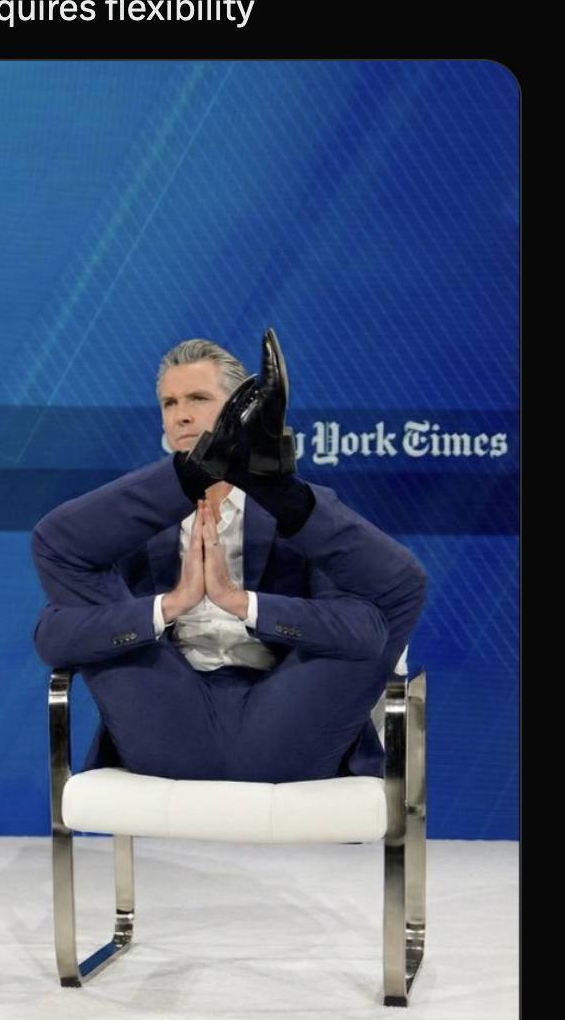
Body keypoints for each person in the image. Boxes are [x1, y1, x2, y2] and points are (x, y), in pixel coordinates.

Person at [31, 331, 427, 783]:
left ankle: (267, 484)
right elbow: (54, 638)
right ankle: (220, 470)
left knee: (400, 589)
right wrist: (169, 606)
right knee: (55, 543)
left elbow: (362, 629)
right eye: (169, 403)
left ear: (240, 413)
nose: (181, 415)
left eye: (198, 398)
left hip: (287, 716)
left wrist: (243, 603)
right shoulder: (130, 524)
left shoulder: (308, 520)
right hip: (164, 716)